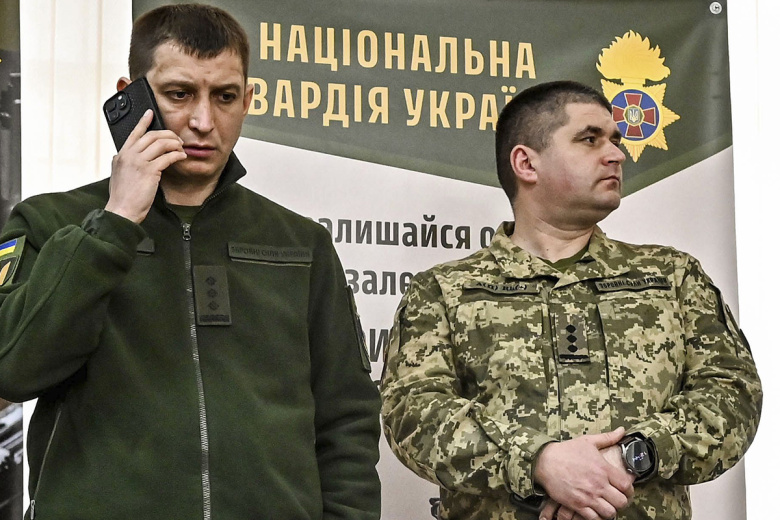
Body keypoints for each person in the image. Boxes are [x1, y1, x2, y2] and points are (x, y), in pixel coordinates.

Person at [0, 4, 380, 519]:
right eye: (179, 94)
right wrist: (115, 222)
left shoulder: (300, 244)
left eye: (225, 96)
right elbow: (12, 368)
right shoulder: (50, 222)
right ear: (129, 95)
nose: (203, 122)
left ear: (247, 101)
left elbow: (347, 421)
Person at [380, 80, 761, 520]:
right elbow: (412, 413)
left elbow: (733, 394)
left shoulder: (672, 277)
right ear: (526, 163)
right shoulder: (445, 290)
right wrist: (537, 462)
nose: (616, 154)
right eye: (590, 139)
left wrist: (632, 456)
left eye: (616, 140)